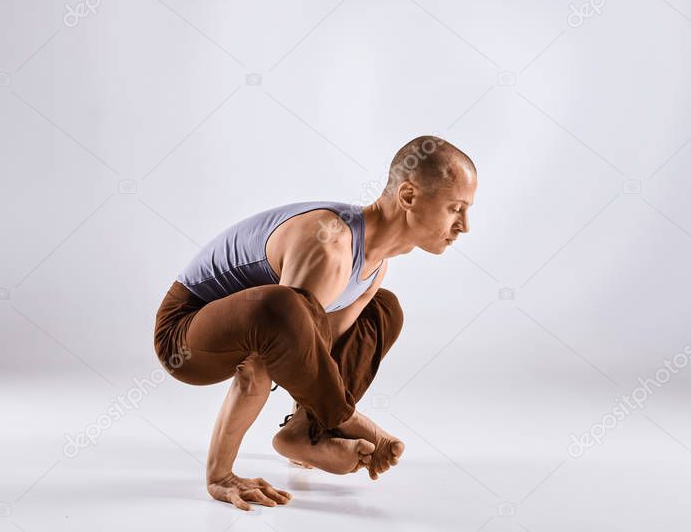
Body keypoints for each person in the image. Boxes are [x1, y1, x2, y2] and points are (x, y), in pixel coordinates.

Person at [153, 135, 476, 510]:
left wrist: (309, 427)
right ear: (408, 197)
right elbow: (261, 361)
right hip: (185, 336)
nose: (464, 226)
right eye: (456, 208)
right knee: (283, 307)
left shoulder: (375, 268)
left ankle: (304, 433)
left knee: (382, 311)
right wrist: (220, 476)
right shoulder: (330, 244)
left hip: (262, 327)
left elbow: (315, 350)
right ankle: (345, 420)